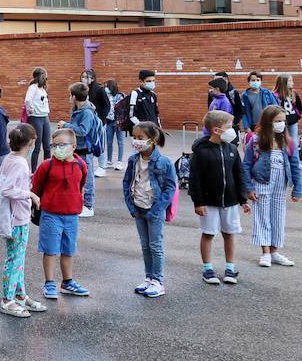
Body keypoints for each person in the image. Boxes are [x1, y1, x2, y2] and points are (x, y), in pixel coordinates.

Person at [188, 110, 251, 285]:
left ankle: (230, 267)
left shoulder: (232, 149)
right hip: (209, 203)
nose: (232, 130)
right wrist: (198, 202)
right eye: (229, 127)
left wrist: (243, 199)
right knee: (208, 234)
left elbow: (239, 174)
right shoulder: (201, 152)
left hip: (230, 202)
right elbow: (195, 179)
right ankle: (207, 268)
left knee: (229, 233)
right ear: (216, 130)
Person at [0, 123, 44, 318]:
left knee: (18, 258)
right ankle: (7, 299)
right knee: (14, 259)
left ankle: (19, 294)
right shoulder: (20, 163)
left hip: (12, 216)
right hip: (16, 219)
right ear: (31, 142)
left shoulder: (10, 158)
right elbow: (8, 190)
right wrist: (30, 194)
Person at [31, 128, 90, 300]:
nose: (57, 148)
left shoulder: (80, 165)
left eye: (62, 145)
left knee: (68, 250)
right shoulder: (46, 166)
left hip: (72, 216)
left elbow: (81, 185)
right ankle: (49, 282)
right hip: (50, 214)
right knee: (50, 250)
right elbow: (35, 188)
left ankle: (67, 282)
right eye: (54, 145)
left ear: (73, 146)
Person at [121, 122, 176, 298]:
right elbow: (126, 182)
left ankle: (158, 281)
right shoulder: (133, 160)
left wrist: (157, 210)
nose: (136, 141)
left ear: (152, 140)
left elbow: (170, 188)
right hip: (138, 208)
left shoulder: (164, 162)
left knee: (155, 245)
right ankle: (149, 277)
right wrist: (131, 206)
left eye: (140, 138)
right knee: (145, 246)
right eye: (134, 137)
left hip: (154, 209)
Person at [243, 105, 301, 269]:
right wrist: (248, 188)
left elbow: (295, 165)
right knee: (262, 218)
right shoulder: (256, 140)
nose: (281, 124)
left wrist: (297, 188)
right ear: (268, 122)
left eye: (283, 120)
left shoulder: (288, 142)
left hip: (280, 185)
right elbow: (246, 165)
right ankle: (265, 252)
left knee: (278, 217)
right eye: (277, 121)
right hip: (261, 183)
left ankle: (274, 252)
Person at [65, 82, 100, 217]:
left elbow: (83, 131)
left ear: (74, 96)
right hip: (77, 148)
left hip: (85, 149)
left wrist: (66, 125)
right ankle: (79, 202)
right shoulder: (77, 109)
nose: (69, 98)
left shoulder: (86, 112)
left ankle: (88, 206)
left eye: (70, 95)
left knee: (87, 178)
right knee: (76, 176)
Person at [82, 69, 112, 177]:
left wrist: (101, 118)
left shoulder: (99, 90)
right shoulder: (83, 90)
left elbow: (107, 105)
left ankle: (102, 166)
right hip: (87, 122)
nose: (83, 79)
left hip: (98, 122)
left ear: (93, 78)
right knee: (88, 143)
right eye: (83, 76)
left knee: (99, 143)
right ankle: (89, 165)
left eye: (86, 77)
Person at [274, 75, 302, 173]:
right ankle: (283, 161)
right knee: (281, 141)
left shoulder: (294, 93)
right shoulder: (276, 95)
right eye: (289, 81)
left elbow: (299, 107)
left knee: (294, 142)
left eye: (292, 81)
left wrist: (297, 116)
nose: (292, 83)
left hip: (293, 122)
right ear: (283, 83)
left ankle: (296, 163)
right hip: (282, 123)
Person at [24, 68, 52, 165]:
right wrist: (31, 110)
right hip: (36, 118)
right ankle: (34, 171)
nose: (46, 78)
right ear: (40, 76)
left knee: (47, 146)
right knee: (37, 146)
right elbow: (27, 100)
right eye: (44, 75)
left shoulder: (42, 89)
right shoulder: (33, 87)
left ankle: (48, 168)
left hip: (45, 117)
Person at [104, 79, 127, 169]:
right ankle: (109, 161)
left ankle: (119, 162)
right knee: (109, 142)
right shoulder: (105, 96)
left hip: (118, 123)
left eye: (107, 86)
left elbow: (122, 109)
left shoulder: (119, 96)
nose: (106, 88)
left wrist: (120, 120)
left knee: (120, 142)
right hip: (109, 122)